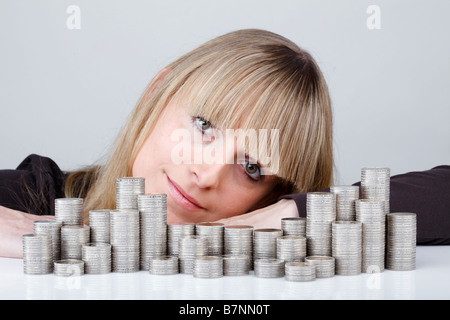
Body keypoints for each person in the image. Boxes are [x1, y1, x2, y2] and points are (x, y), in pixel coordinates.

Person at [0, 29, 449, 259]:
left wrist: (295, 213)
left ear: (271, 196)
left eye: (252, 167)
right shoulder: (42, 193)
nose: (206, 173)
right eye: (203, 126)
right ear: (157, 94)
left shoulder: (283, 237)